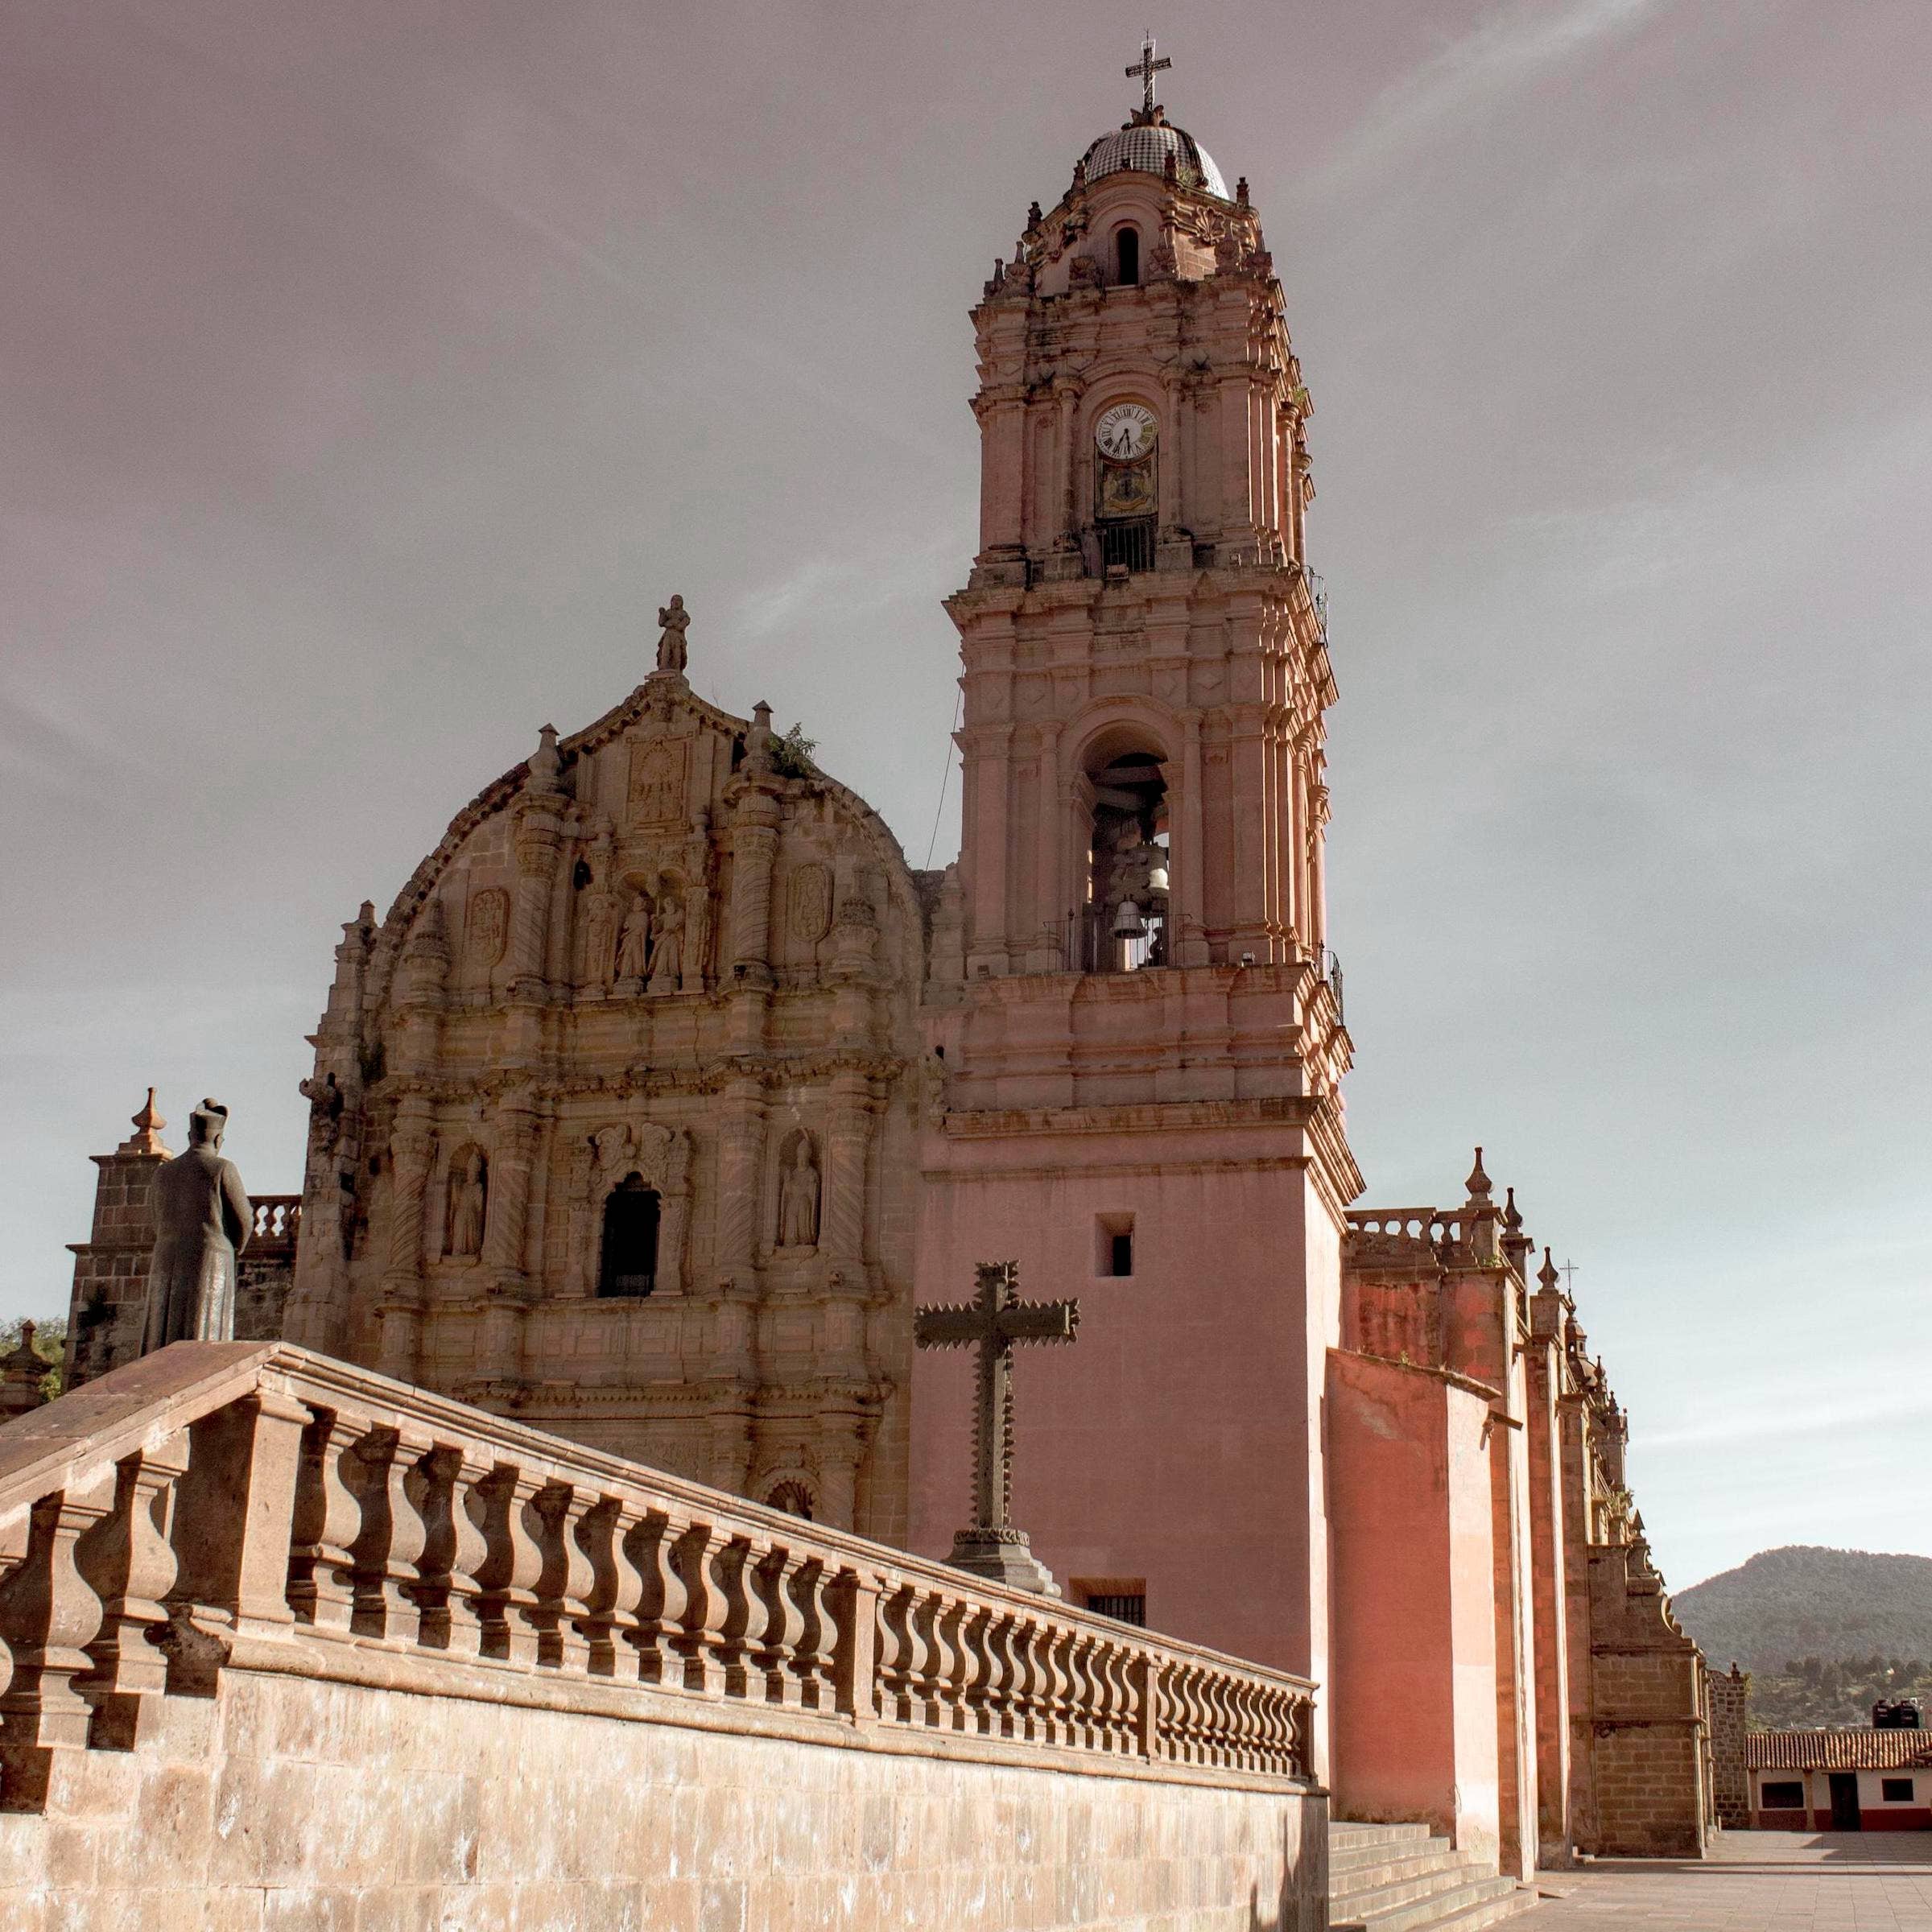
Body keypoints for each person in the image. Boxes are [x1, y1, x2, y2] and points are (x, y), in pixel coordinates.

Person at [142, 1099, 251, 1351]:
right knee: (203, 1334)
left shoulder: (163, 1172)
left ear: (191, 1135)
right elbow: (244, 1221)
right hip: (210, 1256)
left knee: (161, 1332)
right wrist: (233, 1248)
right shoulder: (223, 1168)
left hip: (165, 1255)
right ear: (218, 1139)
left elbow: (155, 1219)